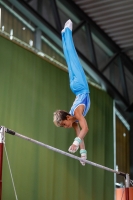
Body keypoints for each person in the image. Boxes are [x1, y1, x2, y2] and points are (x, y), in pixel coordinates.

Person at [53, 19, 90, 166]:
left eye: (63, 123)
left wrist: (75, 143)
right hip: (75, 87)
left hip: (80, 86)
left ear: (68, 117)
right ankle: (64, 34)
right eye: (63, 126)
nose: (65, 126)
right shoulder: (74, 121)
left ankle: (67, 31)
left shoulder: (77, 113)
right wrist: (82, 153)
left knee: (72, 56)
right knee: (69, 58)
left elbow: (86, 129)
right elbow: (80, 133)